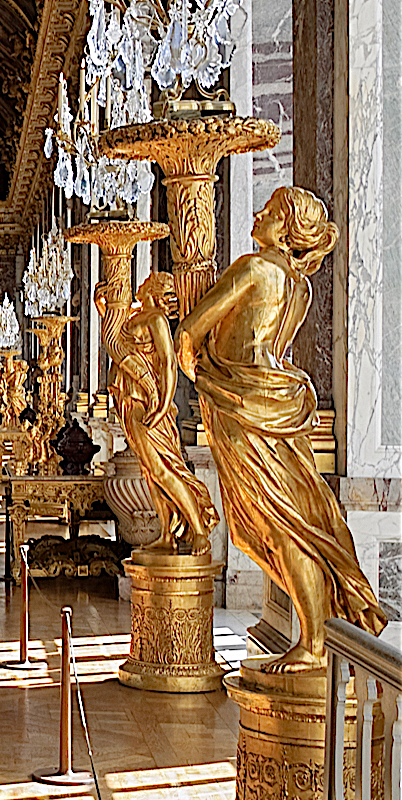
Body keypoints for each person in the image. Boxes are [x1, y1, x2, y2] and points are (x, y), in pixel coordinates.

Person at [178, 186, 389, 671]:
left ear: (288, 231)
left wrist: (201, 377)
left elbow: (191, 330)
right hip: (279, 402)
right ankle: (315, 637)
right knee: (292, 521)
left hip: (242, 406)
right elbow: (270, 347)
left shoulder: (253, 268)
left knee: (277, 526)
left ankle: (313, 644)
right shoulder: (300, 287)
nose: (258, 214)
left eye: (271, 212)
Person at [103, 271, 214, 553]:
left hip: (147, 404)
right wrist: (101, 304)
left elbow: (168, 363)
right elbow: (116, 344)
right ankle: (167, 534)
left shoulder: (156, 319)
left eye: (147, 280)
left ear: (154, 289)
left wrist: (164, 404)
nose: (141, 282)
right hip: (129, 400)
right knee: (149, 472)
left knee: (162, 470)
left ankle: (199, 531)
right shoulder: (136, 317)